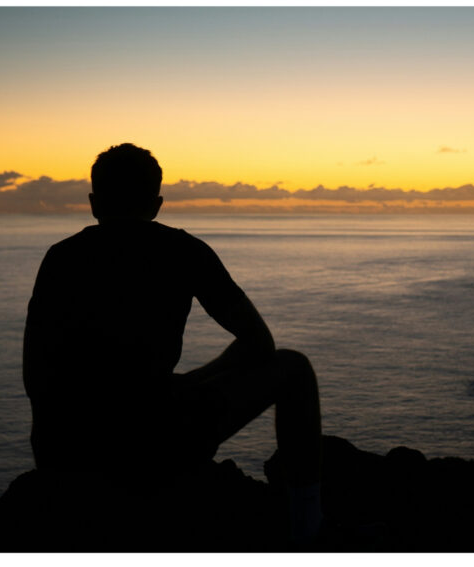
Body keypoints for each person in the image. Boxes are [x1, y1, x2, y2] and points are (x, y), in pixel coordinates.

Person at [22, 143, 323, 544]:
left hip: (68, 450)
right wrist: (196, 378)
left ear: (94, 203)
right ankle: (306, 523)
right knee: (294, 368)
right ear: (157, 204)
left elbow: (35, 375)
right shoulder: (184, 251)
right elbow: (259, 344)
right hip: (157, 441)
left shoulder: (61, 258)